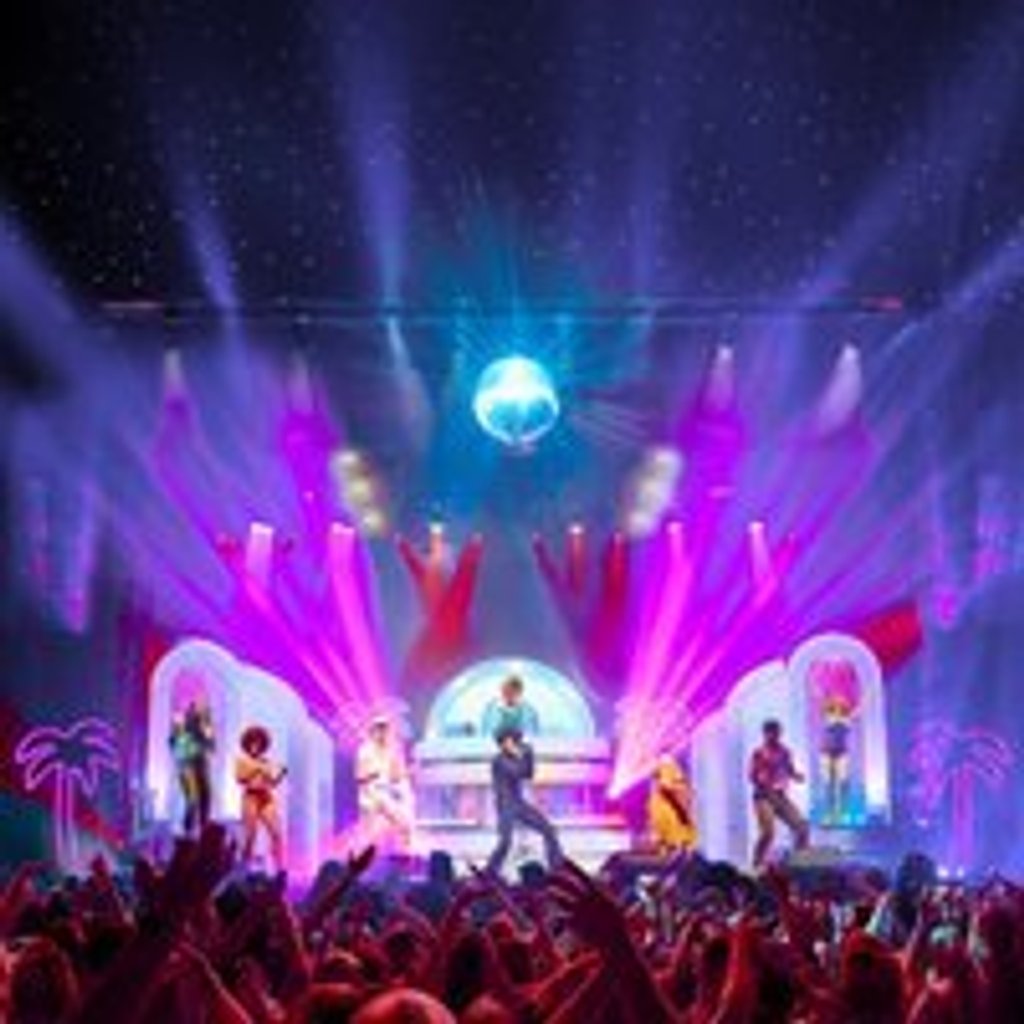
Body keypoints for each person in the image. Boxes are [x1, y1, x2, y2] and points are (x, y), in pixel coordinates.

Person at [485, 725, 562, 877]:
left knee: (549, 831)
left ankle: (557, 866)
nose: (511, 745)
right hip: (505, 806)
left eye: (513, 741)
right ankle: (490, 871)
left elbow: (528, 774)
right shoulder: (498, 760)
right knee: (505, 841)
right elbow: (517, 772)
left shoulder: (516, 756)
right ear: (501, 743)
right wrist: (525, 755)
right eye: (507, 742)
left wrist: (529, 754)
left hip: (518, 803)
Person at [748, 719, 809, 868]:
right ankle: (757, 863)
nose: (775, 736)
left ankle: (800, 862)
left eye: (777, 733)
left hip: (780, 796)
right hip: (763, 797)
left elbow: (789, 769)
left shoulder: (785, 752)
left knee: (801, 827)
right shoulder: (759, 753)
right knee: (768, 833)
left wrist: (796, 776)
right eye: (771, 733)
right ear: (765, 734)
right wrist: (762, 779)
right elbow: (752, 776)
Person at [355, 715, 414, 852]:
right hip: (370, 795)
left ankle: (405, 851)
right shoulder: (365, 751)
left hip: (387, 792)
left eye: (385, 729)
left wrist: (406, 774)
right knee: (369, 835)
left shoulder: (392, 750)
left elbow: (397, 776)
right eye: (379, 729)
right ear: (373, 731)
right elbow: (359, 777)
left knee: (404, 822)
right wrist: (373, 777)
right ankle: (366, 855)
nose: (382, 732)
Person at [235, 725, 287, 871]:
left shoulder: (266, 762)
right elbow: (240, 778)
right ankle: (244, 867)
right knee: (250, 835)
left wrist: (281, 775)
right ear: (247, 744)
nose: (255, 746)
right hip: (250, 798)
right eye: (252, 743)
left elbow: (272, 783)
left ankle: (279, 867)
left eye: (258, 743)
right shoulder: (242, 760)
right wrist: (256, 768)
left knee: (276, 833)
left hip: (266, 797)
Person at [168, 699, 215, 836]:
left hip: (201, 765)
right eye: (199, 708)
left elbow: (211, 747)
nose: (202, 710)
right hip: (187, 766)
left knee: (205, 797)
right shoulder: (182, 723)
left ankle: (203, 828)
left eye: (204, 709)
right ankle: (187, 829)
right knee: (193, 798)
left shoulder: (205, 726)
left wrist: (207, 732)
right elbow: (174, 744)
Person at [647, 752, 697, 854]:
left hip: (672, 808)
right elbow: (666, 785)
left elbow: (668, 785)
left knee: (678, 832)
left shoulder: (669, 767)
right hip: (666, 807)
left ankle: (677, 848)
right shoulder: (665, 767)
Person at [482, 675, 539, 740]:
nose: (506, 695)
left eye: (510, 692)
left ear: (519, 693)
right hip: (497, 739)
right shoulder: (492, 707)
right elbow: (486, 730)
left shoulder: (528, 710)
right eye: (504, 691)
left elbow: (532, 732)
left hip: (519, 739)